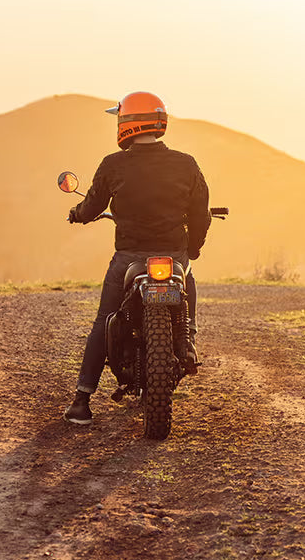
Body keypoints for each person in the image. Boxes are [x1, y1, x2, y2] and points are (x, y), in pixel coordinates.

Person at [62, 92, 213, 426]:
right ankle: (188, 339)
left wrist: (77, 213)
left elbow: (92, 206)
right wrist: (193, 249)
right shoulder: (186, 163)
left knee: (104, 320)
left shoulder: (113, 164)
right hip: (173, 255)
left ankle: (82, 401)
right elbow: (201, 214)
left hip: (128, 257)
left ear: (126, 122)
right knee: (187, 277)